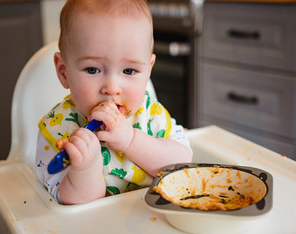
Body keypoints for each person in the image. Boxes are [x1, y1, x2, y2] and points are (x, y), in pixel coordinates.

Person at [35, 0, 192, 205]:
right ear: (63, 72)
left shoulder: (150, 114)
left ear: (148, 70)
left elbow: (181, 165)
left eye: (129, 71)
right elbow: (70, 205)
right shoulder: (59, 130)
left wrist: (131, 140)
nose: (111, 87)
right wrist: (86, 167)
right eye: (93, 70)